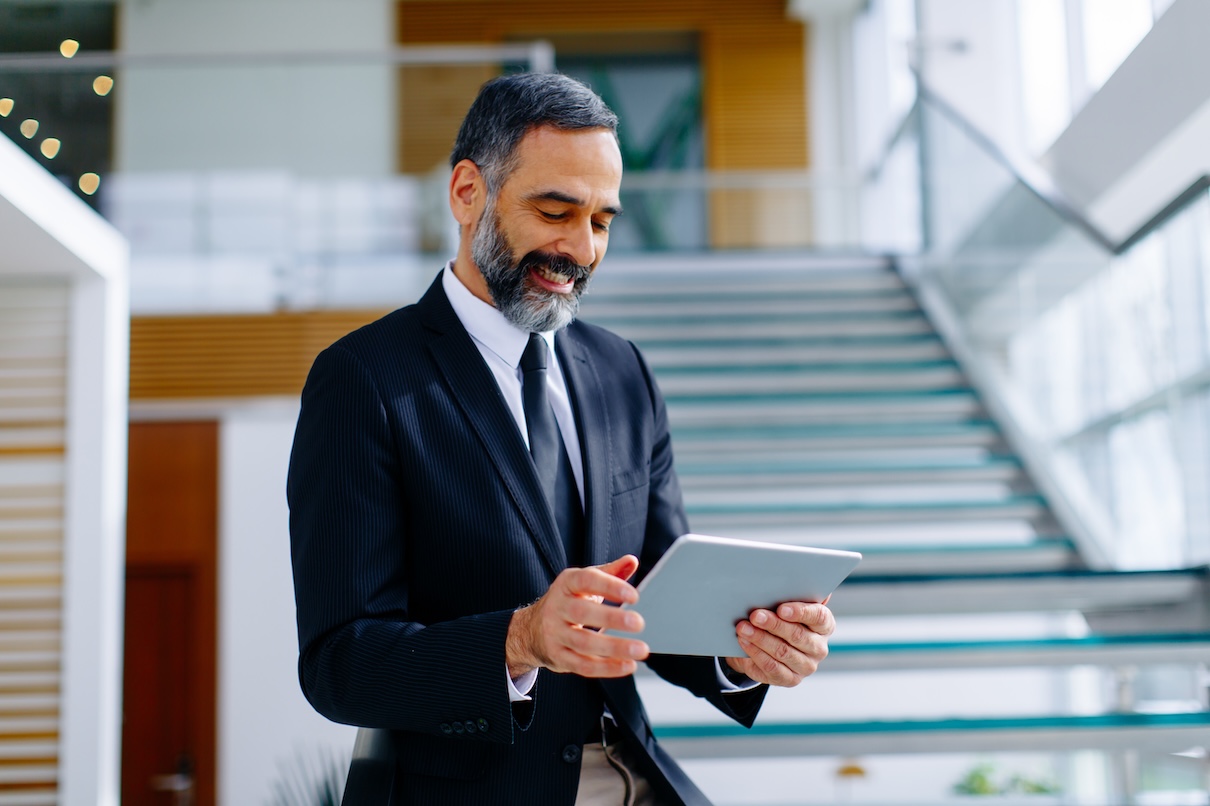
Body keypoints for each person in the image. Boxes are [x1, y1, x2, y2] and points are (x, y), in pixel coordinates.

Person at [288, 72, 836, 805]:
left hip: (634, 775)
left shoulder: (621, 370)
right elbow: (339, 665)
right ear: (466, 193)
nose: (580, 248)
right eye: (555, 211)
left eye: (602, 221)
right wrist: (518, 639)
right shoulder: (363, 379)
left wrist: (748, 648)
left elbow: (661, 603)